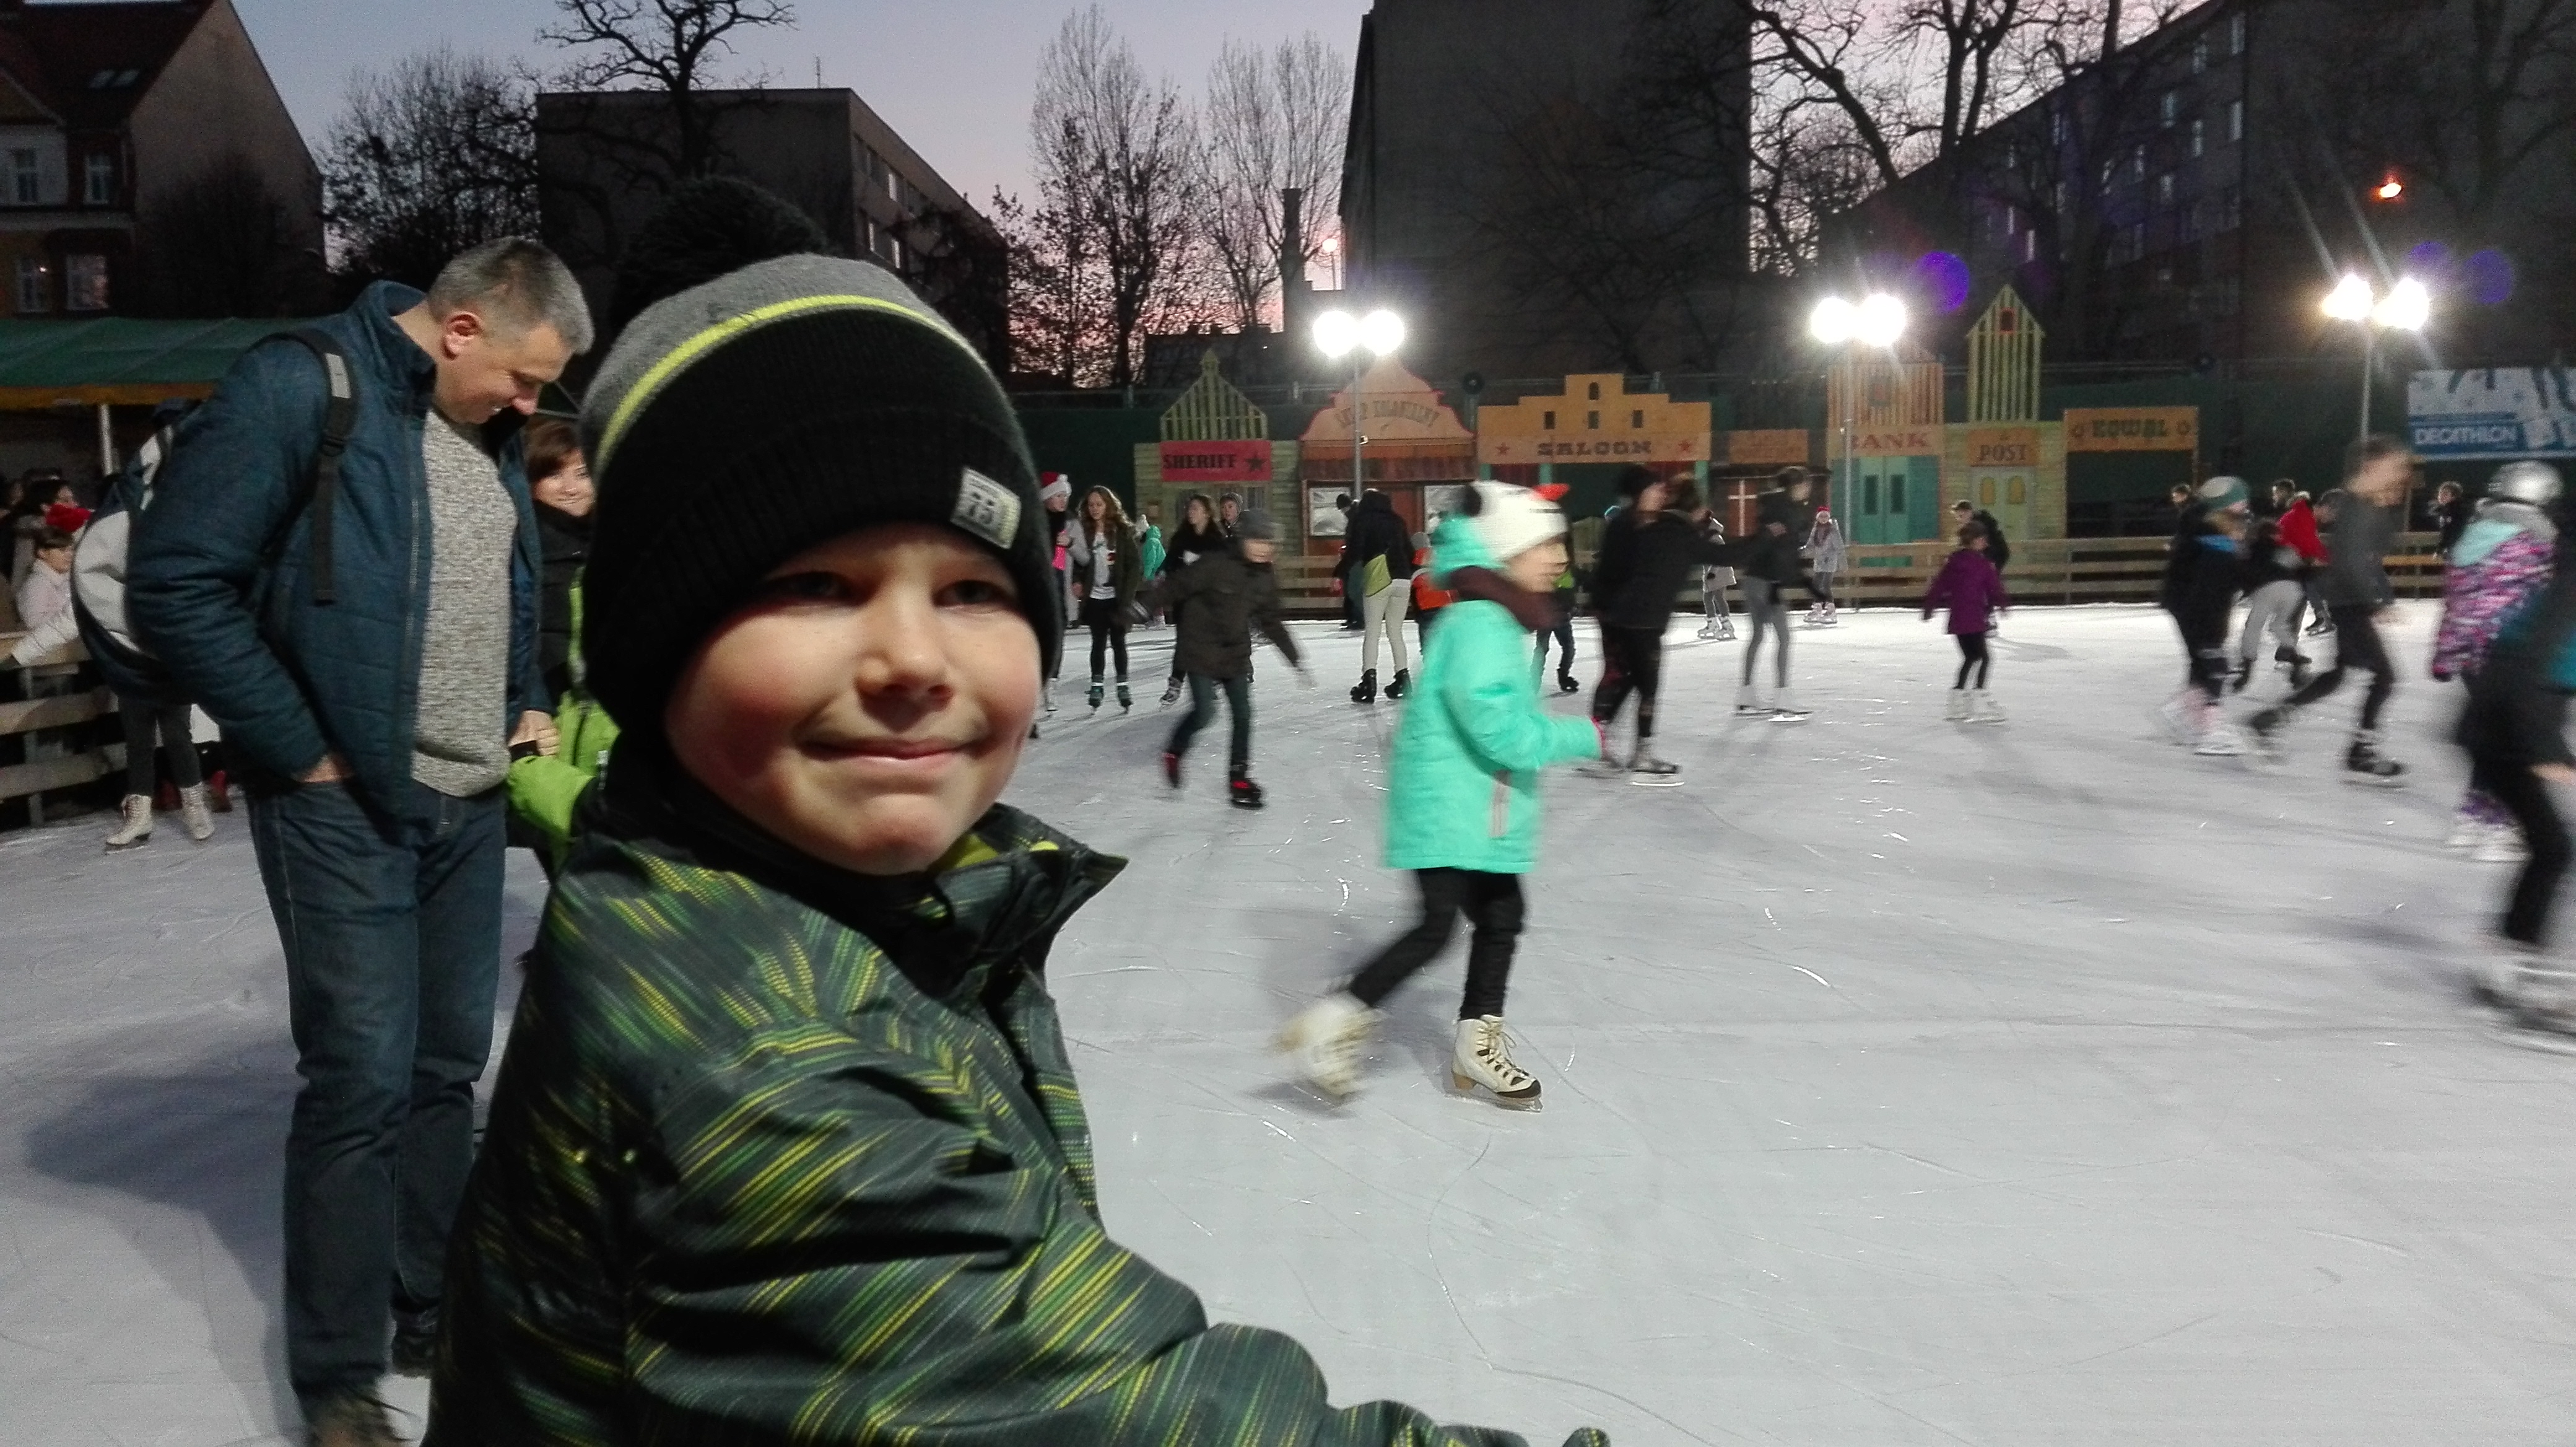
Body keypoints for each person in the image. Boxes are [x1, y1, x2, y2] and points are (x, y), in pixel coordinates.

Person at [420, 188, 1604, 1447]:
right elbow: (1113, 1418)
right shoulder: (768, 1075)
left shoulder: (786, 899)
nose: (913, 659)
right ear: (655, 639)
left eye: (974, 590)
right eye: (814, 584)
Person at [128, 235, 586, 1445]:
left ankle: (431, 1307)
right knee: (361, 1083)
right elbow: (177, 581)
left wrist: (522, 698)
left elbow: (500, 584)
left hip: (467, 801)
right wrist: (297, 746)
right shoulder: (303, 385)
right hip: (341, 803)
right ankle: (338, 1378)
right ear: (462, 327)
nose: (531, 407)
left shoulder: (485, 430)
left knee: (444, 1072)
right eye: (524, 377)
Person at [1279, 483, 1608, 1106]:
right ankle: (1332, 1021)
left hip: (1470, 807)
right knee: (1437, 927)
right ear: (1506, 552)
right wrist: (1584, 735)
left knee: (1498, 917)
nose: (1560, 557)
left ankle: (1472, 1047)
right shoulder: (1482, 625)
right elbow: (1502, 731)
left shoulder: (1490, 618)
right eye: (1545, 544)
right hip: (1452, 809)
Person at [2457, 522, 2576, 1039]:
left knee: (2550, 849)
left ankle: (2504, 962)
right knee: (2553, 849)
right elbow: (2525, 672)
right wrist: (2546, 751)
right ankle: (2517, 972)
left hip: (2506, 728)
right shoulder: (2567, 593)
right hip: (2503, 731)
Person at [2248, 438, 2413, 781]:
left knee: (2339, 674)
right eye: (2394, 466)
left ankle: (2269, 719)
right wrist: (2374, 603)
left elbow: (2376, 549)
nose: (2400, 474)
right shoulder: (2356, 507)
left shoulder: (2363, 505)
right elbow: (2352, 561)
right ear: (2372, 467)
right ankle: (2361, 752)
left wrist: (2386, 507)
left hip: (2345, 599)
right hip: (2350, 601)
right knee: (2385, 677)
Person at [2432, 461, 2561, 858]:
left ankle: (2472, 819)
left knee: (2494, 738)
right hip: (2507, 651)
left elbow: (2457, 600)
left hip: (2469, 649)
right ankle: (2494, 826)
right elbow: (2552, 596)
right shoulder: (2537, 538)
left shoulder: (2475, 532)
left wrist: (2446, 651)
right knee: (2513, 742)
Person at [1152, 508, 1305, 807]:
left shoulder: (1265, 576)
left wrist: (1294, 657)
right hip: (1200, 649)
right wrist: (1141, 607)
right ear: (1243, 539)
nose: (1263, 549)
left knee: (1243, 715)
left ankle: (1238, 778)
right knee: (1205, 712)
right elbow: (1176, 586)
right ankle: (1175, 750)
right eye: (1257, 541)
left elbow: (1270, 620)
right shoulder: (1215, 564)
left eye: (1269, 543)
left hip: (1234, 653)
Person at [1587, 468, 1730, 779]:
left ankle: (1602, 744)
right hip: (1624, 617)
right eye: (1654, 488)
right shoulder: (1629, 525)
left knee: (1629, 679)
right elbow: (1614, 572)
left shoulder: (1648, 523)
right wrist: (1612, 610)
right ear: (1640, 493)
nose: (1660, 493)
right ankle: (1614, 748)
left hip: (1627, 615)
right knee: (1628, 679)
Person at [2157, 476, 2251, 755]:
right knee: (2215, 666)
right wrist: (2211, 627)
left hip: (2191, 605)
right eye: (2241, 503)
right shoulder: (2213, 537)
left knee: (2203, 665)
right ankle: (2210, 733)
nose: (2245, 508)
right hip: (2197, 609)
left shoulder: (2208, 529)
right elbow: (2210, 586)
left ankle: (2178, 712)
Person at [524, 416, 591, 703]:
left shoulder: (615, 540)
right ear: (532, 483)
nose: (570, 488)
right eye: (554, 475)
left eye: (582, 474)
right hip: (547, 701)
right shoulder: (524, 547)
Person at [1737, 467, 1813, 719]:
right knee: (1784, 637)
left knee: (1758, 635)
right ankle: (1782, 695)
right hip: (1767, 580)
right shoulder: (1789, 510)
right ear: (1796, 485)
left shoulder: (1769, 506)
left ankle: (1746, 694)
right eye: (1806, 484)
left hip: (1751, 578)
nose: (1808, 489)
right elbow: (1785, 550)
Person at [1923, 520, 2011, 722]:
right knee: (1984, 658)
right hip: (1974, 618)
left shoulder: (1953, 563)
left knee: (1970, 658)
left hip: (1958, 620)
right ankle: (1979, 698)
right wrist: (2003, 604)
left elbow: (1938, 586)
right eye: (1983, 539)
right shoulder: (1982, 565)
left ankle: (1957, 701)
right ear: (1975, 540)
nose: (1986, 543)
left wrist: (1929, 607)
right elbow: (1994, 587)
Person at [1064, 484, 1142, 711]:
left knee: (1119, 642)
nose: (1095, 509)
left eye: (1099, 504)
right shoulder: (1084, 532)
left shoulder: (1121, 531)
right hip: (1095, 597)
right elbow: (1079, 561)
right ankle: (1097, 685)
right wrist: (1077, 581)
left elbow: (1134, 566)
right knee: (1098, 642)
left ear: (1108, 506)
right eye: (1091, 505)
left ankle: (1123, 685)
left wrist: (1127, 597)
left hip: (1116, 597)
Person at [1344, 488, 1417, 702]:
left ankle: (1368, 683)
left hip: (1378, 578)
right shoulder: (1398, 521)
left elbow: (1355, 551)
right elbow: (1410, 552)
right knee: (1396, 632)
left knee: (1373, 632)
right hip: (1403, 579)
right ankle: (1403, 680)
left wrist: (1340, 572)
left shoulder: (1364, 520)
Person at [1157, 492, 1225, 706]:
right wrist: (1165, 572)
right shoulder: (1181, 538)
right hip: (1185, 600)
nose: (1190, 512)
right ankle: (1175, 684)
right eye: (1189, 508)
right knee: (1184, 643)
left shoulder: (1217, 540)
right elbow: (1170, 562)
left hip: (1208, 601)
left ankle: (1211, 681)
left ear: (1207, 513)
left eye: (1196, 508)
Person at [2232, 508, 2310, 693]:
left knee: (2254, 627)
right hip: (2293, 590)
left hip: (2266, 589)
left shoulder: (2251, 549)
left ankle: (2246, 669)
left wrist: (2243, 590)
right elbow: (2302, 569)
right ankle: (2296, 662)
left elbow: (2241, 571)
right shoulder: (2285, 550)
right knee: (2279, 626)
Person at [1697, 512, 1737, 640]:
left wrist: (1713, 572)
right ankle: (1712, 623)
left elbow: (1721, 556)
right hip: (1711, 572)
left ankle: (1726, 625)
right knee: (1708, 597)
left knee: (1718, 597)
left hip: (1720, 572)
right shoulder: (1706, 536)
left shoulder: (1715, 537)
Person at [1803, 509, 1847, 625]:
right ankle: (1817, 608)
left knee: (1825, 586)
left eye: (1825, 516)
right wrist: (1803, 551)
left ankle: (1831, 610)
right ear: (1818, 518)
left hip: (1830, 561)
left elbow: (1839, 547)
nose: (1823, 519)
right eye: (1821, 516)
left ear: (1828, 518)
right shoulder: (1816, 530)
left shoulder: (1833, 531)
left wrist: (1843, 564)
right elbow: (1811, 544)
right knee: (1816, 585)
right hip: (1819, 562)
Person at [1332, 491, 1364, 630]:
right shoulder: (1356, 515)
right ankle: (1353, 618)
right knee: (1351, 589)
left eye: (1343, 509)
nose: (1343, 512)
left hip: (1356, 558)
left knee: (1354, 590)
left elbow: (1355, 540)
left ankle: (1359, 619)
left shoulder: (1356, 517)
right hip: (1354, 557)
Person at [1952, 497, 2011, 574]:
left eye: (1961, 516)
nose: (1960, 520)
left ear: (1968, 512)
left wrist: (1991, 560)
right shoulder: (1975, 523)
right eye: (1958, 517)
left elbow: (1986, 542)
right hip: (1993, 553)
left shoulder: (1978, 525)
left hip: (1995, 553)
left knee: (1986, 576)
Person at [2432, 479, 2471, 560]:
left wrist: (2440, 549)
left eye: (2445, 494)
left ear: (2454, 497)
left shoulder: (2453, 511)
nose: (2441, 496)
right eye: (2440, 493)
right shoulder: (2447, 510)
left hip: (2460, 547)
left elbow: (2450, 531)